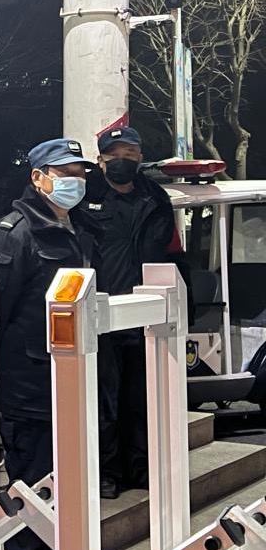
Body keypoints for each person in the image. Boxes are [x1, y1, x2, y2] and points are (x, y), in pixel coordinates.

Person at [0, 138, 100, 550]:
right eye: (66, 173)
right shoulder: (12, 236)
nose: (77, 182)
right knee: (31, 507)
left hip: (72, 390)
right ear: (38, 178)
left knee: (67, 506)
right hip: (30, 400)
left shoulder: (80, 230)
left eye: (81, 174)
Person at [85, 126, 187, 499]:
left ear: (140, 158)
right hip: (101, 317)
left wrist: (185, 306)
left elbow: (174, 254)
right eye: (114, 155)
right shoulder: (85, 199)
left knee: (142, 398)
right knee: (104, 401)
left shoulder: (156, 198)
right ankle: (107, 472)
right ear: (100, 160)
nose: (122, 161)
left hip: (148, 316)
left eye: (129, 155)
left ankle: (140, 467)